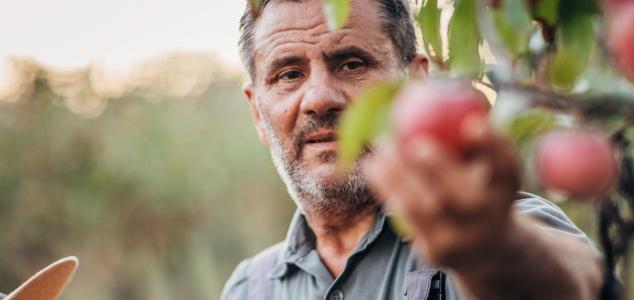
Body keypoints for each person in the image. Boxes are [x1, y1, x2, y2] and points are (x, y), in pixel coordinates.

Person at [221, 0, 604, 298]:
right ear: (257, 111)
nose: (319, 98)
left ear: (416, 84)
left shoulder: (494, 227)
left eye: (352, 64)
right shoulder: (248, 290)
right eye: (289, 74)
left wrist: (497, 250)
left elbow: (577, 286)